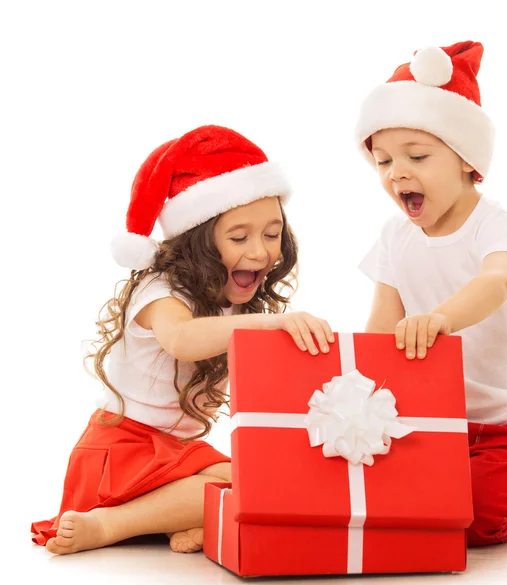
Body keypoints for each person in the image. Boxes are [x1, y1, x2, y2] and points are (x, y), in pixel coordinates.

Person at [31, 125, 335, 555]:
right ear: (197, 243)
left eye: (272, 234)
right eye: (238, 237)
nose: (262, 252)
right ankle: (108, 525)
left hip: (175, 457)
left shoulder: (235, 306)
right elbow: (182, 339)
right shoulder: (160, 291)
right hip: (122, 450)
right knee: (249, 483)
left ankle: (183, 519)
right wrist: (271, 325)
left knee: (273, 481)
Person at [355, 41, 507, 546]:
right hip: (434, 423)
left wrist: (442, 318)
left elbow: (497, 282)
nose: (396, 172)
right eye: (382, 162)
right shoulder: (394, 236)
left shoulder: (496, 226)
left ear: (468, 160)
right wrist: (359, 396)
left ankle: (490, 498)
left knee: (478, 507)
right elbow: (381, 325)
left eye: (417, 156)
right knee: (371, 487)